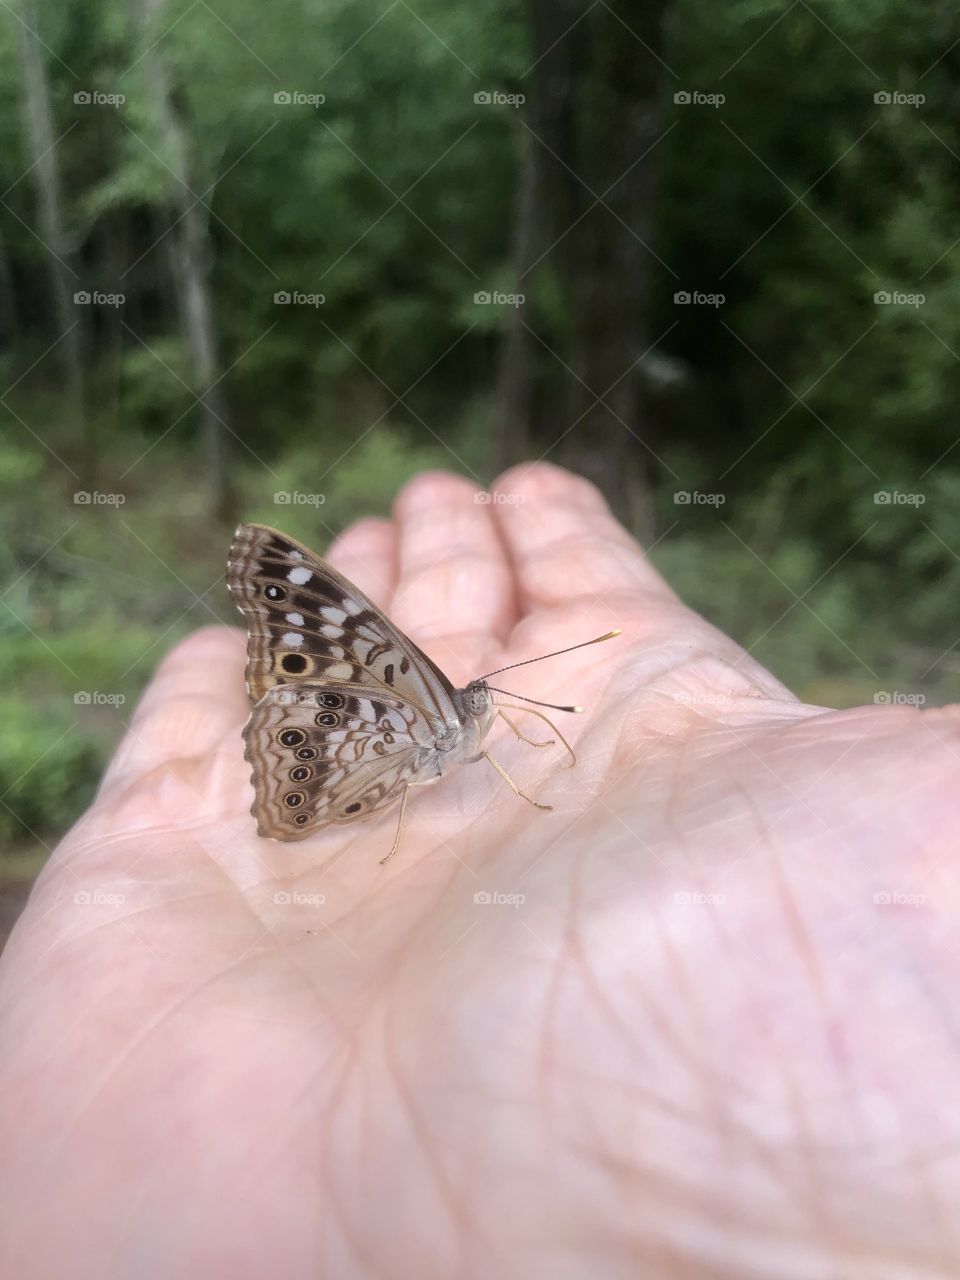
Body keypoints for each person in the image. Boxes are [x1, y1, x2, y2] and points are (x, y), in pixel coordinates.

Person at [1, 463, 955, 1278]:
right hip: (322, 748)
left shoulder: (470, 720)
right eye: (487, 702)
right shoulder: (426, 706)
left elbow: (504, 728)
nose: (489, 711)